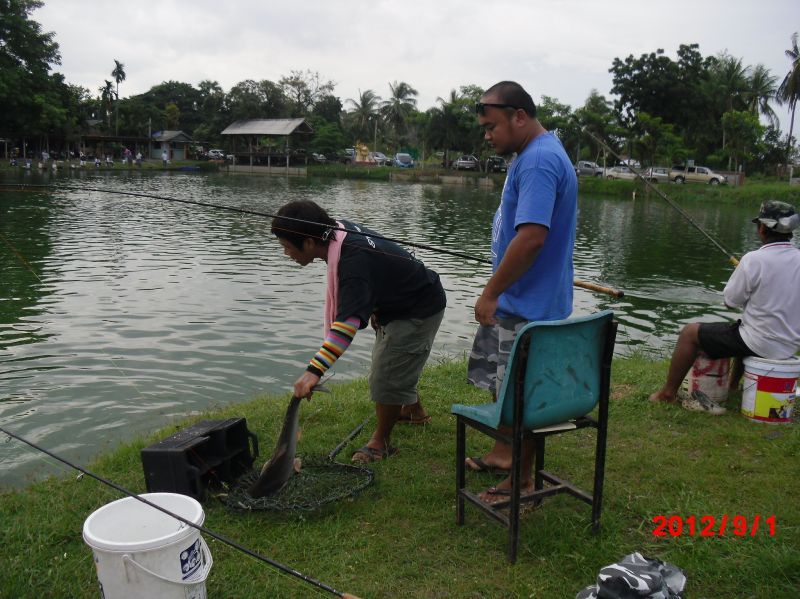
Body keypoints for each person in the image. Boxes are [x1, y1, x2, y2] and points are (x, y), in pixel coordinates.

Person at [465, 81, 578, 504]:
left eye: (492, 126)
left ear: (519, 116)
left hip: (526, 306)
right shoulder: (539, 153)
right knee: (507, 388)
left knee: (523, 397)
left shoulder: (537, 163)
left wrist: (490, 293)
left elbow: (531, 238)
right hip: (529, 299)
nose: (487, 135)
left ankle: (522, 483)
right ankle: (502, 454)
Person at [271, 200, 446, 463]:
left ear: (308, 242)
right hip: (402, 299)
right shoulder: (338, 233)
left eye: (286, 247)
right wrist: (375, 305)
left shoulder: (352, 261)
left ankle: (380, 443)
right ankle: (413, 411)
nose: (286, 254)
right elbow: (376, 271)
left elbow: (346, 325)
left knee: (385, 376)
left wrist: (313, 371)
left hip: (417, 308)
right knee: (395, 363)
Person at [649, 201, 800, 413]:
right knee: (744, 329)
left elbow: (730, 301)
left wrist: (745, 274)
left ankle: (667, 394)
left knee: (689, 332)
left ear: (763, 228)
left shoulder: (754, 260)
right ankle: (732, 387)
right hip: (788, 346)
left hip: (760, 342)